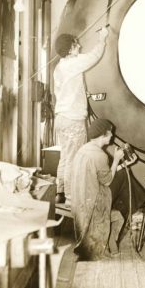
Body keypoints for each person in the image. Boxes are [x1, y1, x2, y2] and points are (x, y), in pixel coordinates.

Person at [53, 25, 110, 204]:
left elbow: (65, 91)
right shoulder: (73, 63)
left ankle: (60, 191)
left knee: (65, 156)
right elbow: (94, 56)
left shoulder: (60, 67)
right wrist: (102, 38)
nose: (79, 46)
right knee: (73, 158)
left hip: (61, 118)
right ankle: (71, 197)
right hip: (72, 119)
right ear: (70, 49)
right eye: (76, 44)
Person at [70, 118, 137, 260]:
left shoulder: (83, 150)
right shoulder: (100, 155)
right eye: (110, 133)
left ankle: (136, 207)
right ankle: (136, 209)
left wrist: (122, 165)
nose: (112, 136)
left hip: (79, 200)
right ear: (103, 135)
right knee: (125, 177)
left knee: (124, 172)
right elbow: (107, 181)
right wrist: (117, 160)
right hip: (93, 205)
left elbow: (101, 175)